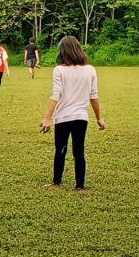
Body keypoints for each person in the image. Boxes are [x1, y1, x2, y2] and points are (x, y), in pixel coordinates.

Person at [39, 36, 106, 191]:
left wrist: (47, 118)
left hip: (63, 117)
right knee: (79, 151)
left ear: (62, 51)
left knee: (61, 149)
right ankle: (80, 186)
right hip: (81, 117)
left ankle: (57, 181)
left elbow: (56, 95)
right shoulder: (90, 70)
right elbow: (94, 96)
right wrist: (99, 118)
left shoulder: (59, 70)